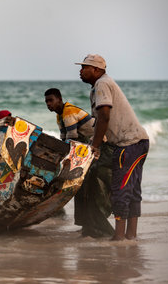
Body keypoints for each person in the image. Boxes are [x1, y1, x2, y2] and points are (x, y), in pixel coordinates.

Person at [76, 54, 149, 240]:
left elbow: (104, 117)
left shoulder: (102, 84)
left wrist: (95, 147)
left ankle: (119, 237)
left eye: (85, 67)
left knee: (120, 190)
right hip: (138, 142)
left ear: (97, 70)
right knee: (132, 191)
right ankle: (130, 235)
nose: (80, 71)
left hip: (129, 144)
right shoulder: (101, 84)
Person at [44, 88, 112, 235]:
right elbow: (65, 140)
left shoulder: (68, 112)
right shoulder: (60, 115)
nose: (48, 104)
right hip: (87, 148)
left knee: (86, 187)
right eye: (46, 102)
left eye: (51, 100)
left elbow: (72, 139)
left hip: (100, 147)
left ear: (60, 100)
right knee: (81, 187)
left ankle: (92, 225)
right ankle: (86, 225)